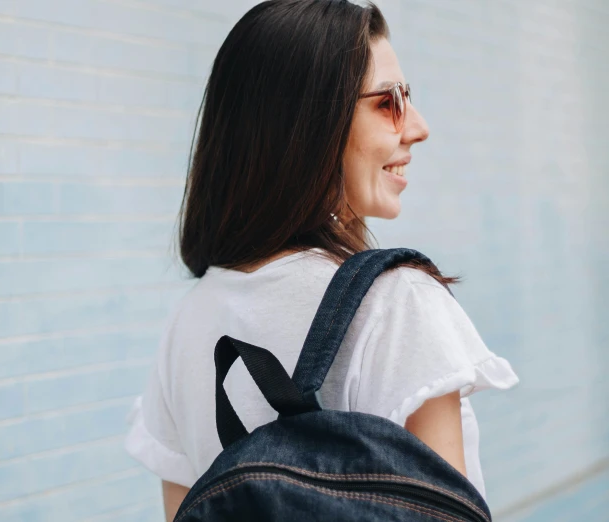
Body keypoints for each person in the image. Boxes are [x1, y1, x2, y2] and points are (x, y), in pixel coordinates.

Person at [124, 1, 519, 520]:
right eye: (388, 102)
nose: (418, 127)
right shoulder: (396, 306)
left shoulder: (190, 320)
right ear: (309, 125)